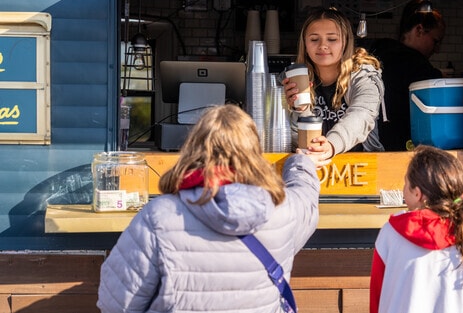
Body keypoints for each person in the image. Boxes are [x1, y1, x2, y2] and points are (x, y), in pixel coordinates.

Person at [97, 105, 321, 313]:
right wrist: (302, 163)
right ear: (254, 152)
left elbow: (116, 303)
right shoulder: (283, 210)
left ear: (193, 147)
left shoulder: (160, 216)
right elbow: (306, 195)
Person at [370, 145, 463, 313]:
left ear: (417, 194)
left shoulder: (390, 234)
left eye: (405, 184)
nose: (403, 190)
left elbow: (377, 298)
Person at [283, 7, 385, 159]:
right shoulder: (293, 79)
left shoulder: (364, 77)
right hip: (312, 166)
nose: (323, 45)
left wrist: (331, 145)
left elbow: (362, 115)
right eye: (314, 39)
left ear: (345, 42)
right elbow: (285, 140)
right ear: (304, 44)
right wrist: (300, 110)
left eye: (332, 39)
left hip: (360, 168)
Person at [370, 0, 446, 151]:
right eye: (435, 41)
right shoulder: (417, 67)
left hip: (374, 141)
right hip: (404, 145)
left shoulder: (378, 53)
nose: (437, 49)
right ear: (419, 30)